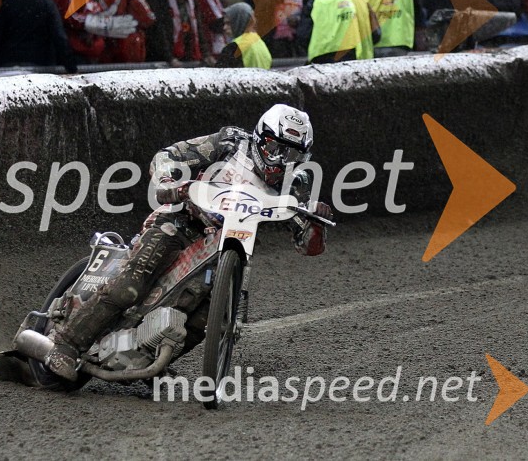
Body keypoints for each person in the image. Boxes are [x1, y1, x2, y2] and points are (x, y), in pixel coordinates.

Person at [45, 104, 333, 380]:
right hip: (180, 223)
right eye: (275, 149)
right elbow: (169, 155)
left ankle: (150, 361)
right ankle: (66, 344)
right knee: (131, 286)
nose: (280, 161)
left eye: (291, 155)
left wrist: (316, 222)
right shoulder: (231, 142)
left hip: (227, 248)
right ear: (260, 138)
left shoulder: (295, 184)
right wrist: (170, 183)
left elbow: (307, 245)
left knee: (209, 321)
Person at [297, 0, 380, 64]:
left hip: (323, 61)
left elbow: (303, 35)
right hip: (358, 61)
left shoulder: (316, 1)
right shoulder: (361, 1)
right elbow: (376, 35)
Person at [217, 2, 272, 69]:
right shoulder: (260, 43)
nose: (224, 27)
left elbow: (220, 75)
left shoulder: (234, 47)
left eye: (228, 23)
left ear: (238, 22)